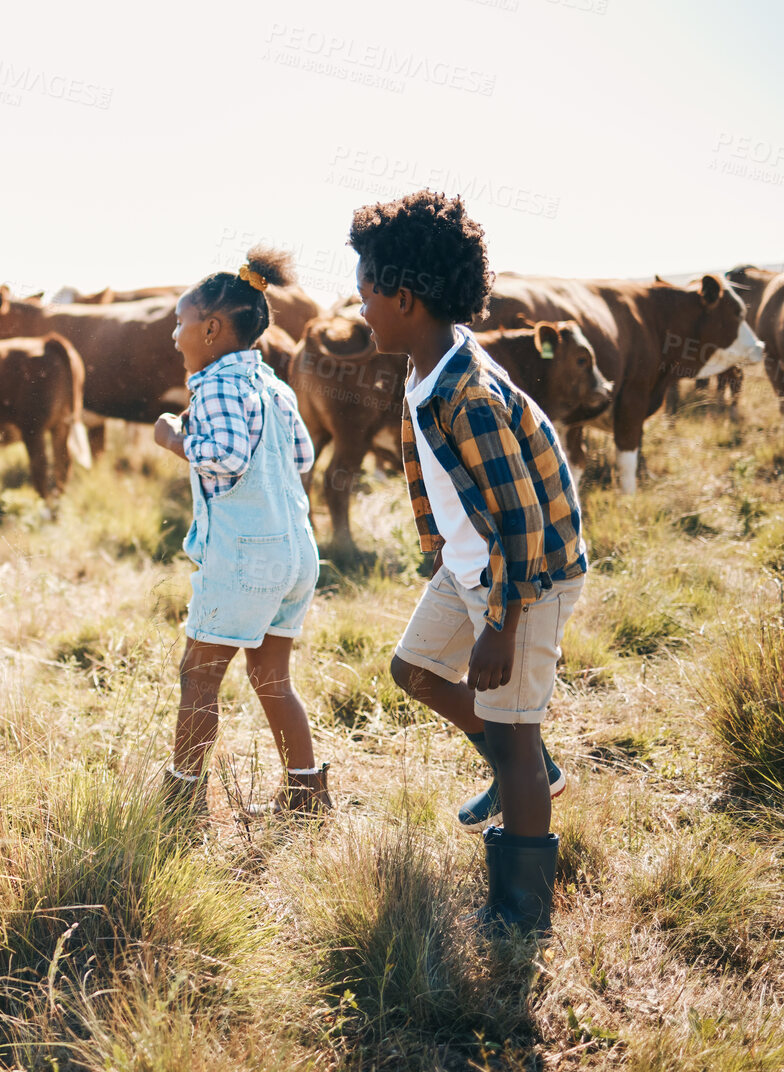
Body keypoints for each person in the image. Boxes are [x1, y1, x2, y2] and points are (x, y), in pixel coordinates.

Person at [351, 190, 585, 938]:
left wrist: (500, 628)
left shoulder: (467, 393)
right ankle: (524, 768)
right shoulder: (428, 371)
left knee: (513, 727)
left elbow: (519, 522)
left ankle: (522, 912)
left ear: (404, 297)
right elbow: (464, 501)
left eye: (364, 289)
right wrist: (445, 563)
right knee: (414, 670)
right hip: (472, 565)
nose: (357, 303)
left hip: (527, 575)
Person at [152, 247, 326, 820]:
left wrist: (176, 438)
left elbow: (223, 457)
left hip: (246, 557)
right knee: (272, 675)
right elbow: (302, 454)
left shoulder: (216, 386)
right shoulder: (271, 383)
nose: (175, 335)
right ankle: (306, 792)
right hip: (296, 551)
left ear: (211, 328)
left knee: (198, 677)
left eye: (180, 323)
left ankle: (181, 800)